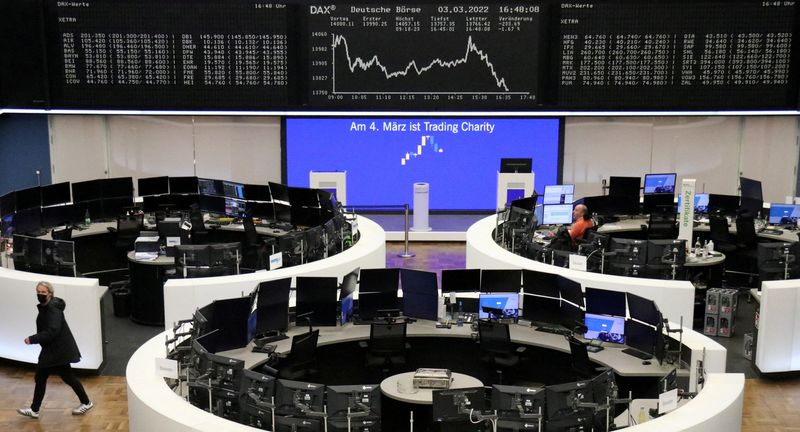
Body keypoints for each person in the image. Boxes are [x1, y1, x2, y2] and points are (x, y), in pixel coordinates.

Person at [18, 281, 93, 419]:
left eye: (43, 292)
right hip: (54, 350)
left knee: (55, 377)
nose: (40, 294)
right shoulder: (47, 307)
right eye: (38, 292)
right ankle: (35, 409)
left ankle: (86, 402)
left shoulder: (53, 309)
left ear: (50, 294)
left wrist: (32, 339)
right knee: (56, 377)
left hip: (57, 351)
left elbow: (53, 331)